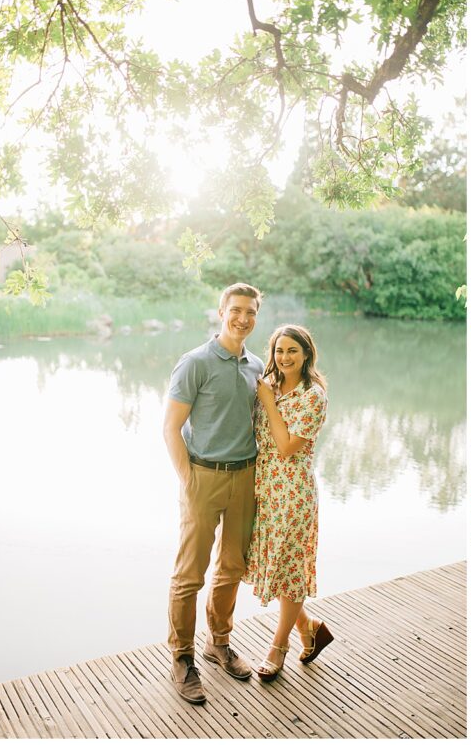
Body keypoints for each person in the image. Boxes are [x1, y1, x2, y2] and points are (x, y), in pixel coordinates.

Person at [163, 283, 264, 705]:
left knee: (232, 568)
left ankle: (218, 642)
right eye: (236, 309)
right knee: (190, 574)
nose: (243, 318)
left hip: (245, 477)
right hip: (203, 477)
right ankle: (183, 657)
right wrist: (189, 480)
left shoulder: (258, 365)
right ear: (221, 311)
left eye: (251, 312)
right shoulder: (195, 363)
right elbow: (170, 428)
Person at [243, 324, 333, 681]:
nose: (284, 357)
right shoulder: (270, 384)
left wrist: (267, 402)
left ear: (307, 354)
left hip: (293, 493)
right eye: (279, 351)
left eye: (292, 351)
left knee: (291, 570)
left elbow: (287, 446)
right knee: (276, 567)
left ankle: (278, 647)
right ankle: (309, 627)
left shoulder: (314, 396)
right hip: (264, 489)